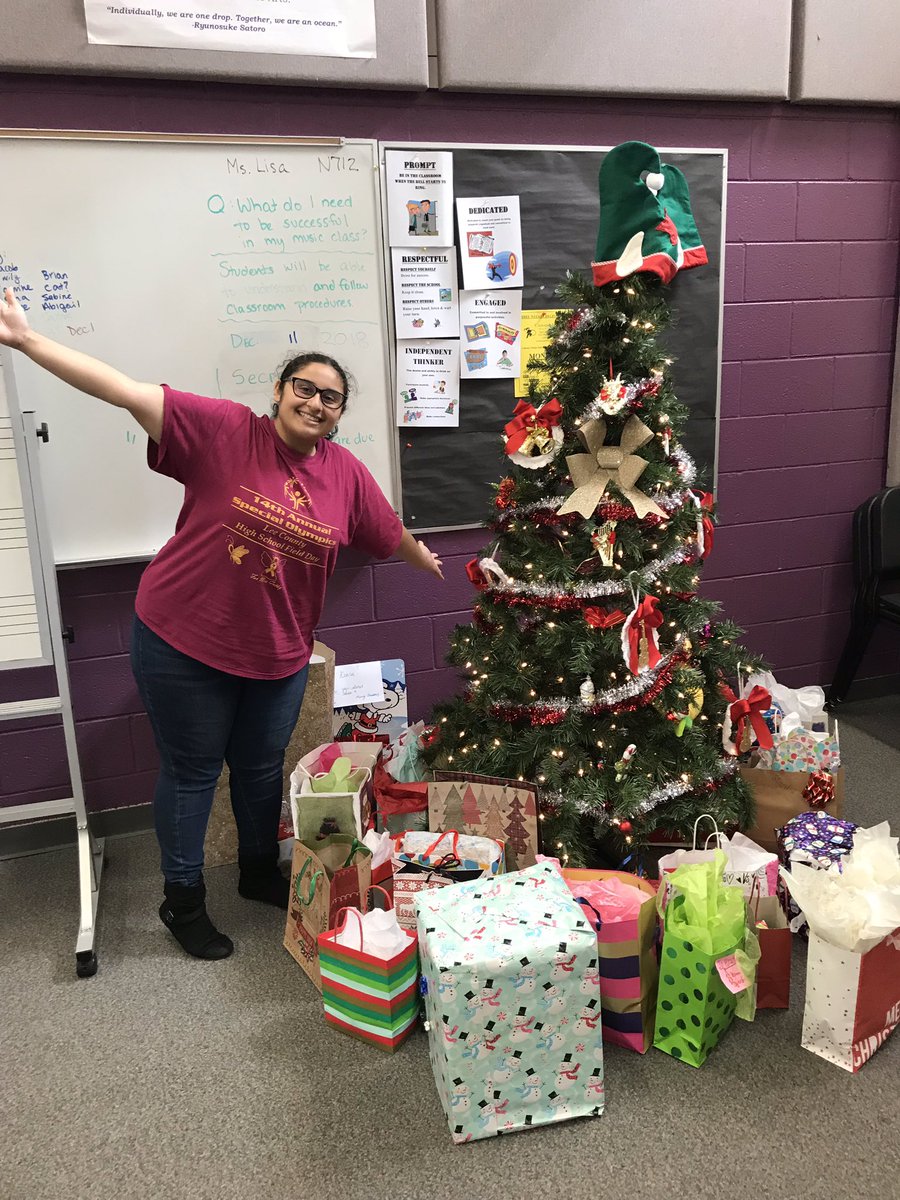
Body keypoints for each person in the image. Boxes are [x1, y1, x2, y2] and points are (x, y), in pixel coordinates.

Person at [0, 287, 444, 961]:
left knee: (263, 767)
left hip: (279, 654)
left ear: (339, 416)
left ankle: (257, 871)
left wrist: (429, 560)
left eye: (331, 398)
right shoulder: (225, 430)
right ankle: (181, 901)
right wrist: (29, 342)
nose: (316, 402)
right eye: (305, 387)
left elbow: (388, 532)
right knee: (193, 772)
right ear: (278, 390)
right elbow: (122, 389)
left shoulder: (346, 474)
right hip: (183, 642)